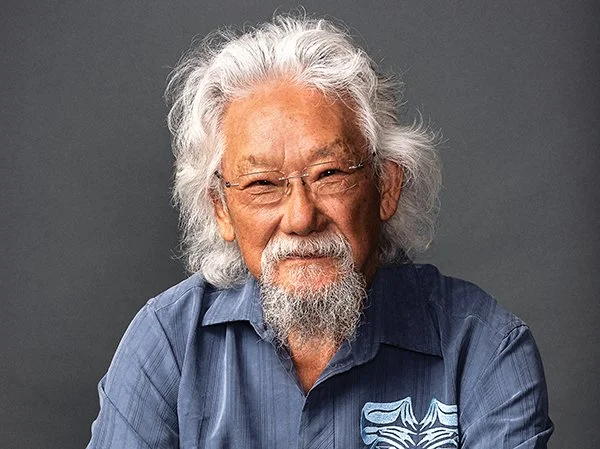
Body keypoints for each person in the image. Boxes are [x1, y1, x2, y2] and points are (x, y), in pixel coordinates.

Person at [86, 14, 553, 449]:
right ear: (221, 209)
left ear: (386, 187)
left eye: (329, 174)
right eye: (262, 184)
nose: (301, 218)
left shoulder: (484, 348)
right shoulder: (167, 344)